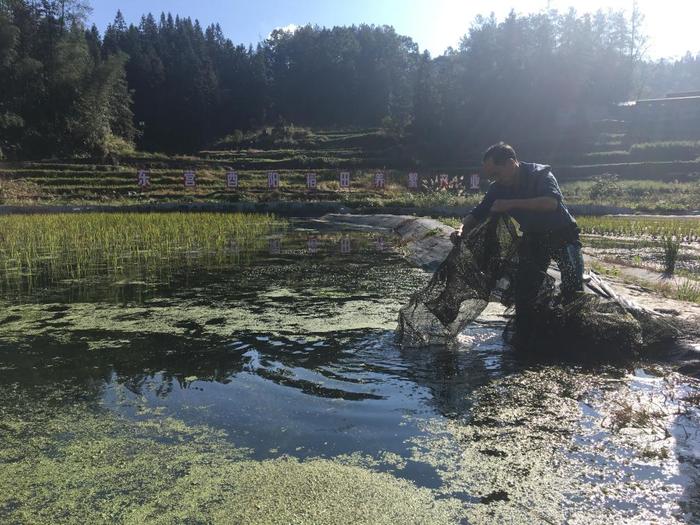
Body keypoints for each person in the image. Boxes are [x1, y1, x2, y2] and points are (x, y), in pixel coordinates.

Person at [451, 142, 585, 349]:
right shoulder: (498, 189)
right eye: (490, 176)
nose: (494, 179)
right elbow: (478, 213)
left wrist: (510, 203)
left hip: (563, 235)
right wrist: (461, 230)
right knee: (525, 292)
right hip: (534, 237)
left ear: (511, 163)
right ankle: (528, 337)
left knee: (573, 286)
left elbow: (550, 203)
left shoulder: (540, 174)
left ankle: (575, 337)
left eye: (496, 173)